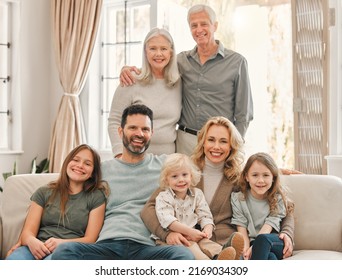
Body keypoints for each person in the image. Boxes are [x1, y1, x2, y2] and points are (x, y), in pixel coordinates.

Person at [51, 104, 194, 260]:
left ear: (151, 133)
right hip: (106, 247)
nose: (139, 134)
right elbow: (72, 189)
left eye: (145, 129)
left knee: (183, 255)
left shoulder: (166, 166)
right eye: (132, 128)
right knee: (64, 251)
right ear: (120, 131)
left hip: (147, 248)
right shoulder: (102, 170)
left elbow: (194, 176)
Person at [141, 116, 295, 260]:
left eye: (223, 141)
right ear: (203, 142)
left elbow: (282, 204)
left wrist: (286, 233)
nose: (216, 147)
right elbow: (149, 208)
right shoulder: (184, 172)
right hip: (191, 241)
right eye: (211, 140)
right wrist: (167, 234)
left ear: (231, 146)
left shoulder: (238, 178)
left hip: (227, 245)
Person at [120, 4, 253, 156]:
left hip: (220, 142)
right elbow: (157, 63)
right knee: (183, 180)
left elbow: (244, 114)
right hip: (185, 142)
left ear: (215, 26)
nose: (199, 29)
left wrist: (235, 145)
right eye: (193, 25)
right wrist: (128, 69)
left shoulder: (237, 62)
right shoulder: (181, 61)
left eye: (204, 24)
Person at [6, 144, 108, 260]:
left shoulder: (96, 197)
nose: (80, 165)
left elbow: (90, 239)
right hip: (35, 248)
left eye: (87, 164)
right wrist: (31, 241)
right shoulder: (44, 192)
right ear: (67, 163)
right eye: (75, 160)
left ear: (93, 173)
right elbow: (27, 233)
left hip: (67, 251)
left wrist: (61, 243)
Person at [108, 27, 181, 158]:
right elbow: (114, 121)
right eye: (153, 48)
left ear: (171, 53)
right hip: (135, 158)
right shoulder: (131, 79)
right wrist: (119, 154)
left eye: (163, 49)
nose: (158, 54)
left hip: (168, 160)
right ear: (145, 52)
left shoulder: (178, 82)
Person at [154, 153, 236, 260]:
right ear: (166, 180)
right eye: (174, 176)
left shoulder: (197, 194)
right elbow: (168, 221)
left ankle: (227, 254)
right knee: (195, 250)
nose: (181, 180)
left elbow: (204, 214)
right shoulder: (163, 197)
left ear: (191, 176)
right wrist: (190, 232)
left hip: (193, 235)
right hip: (173, 238)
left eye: (184, 175)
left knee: (208, 244)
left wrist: (207, 229)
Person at [231, 152, 294, 260]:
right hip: (255, 245)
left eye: (266, 175)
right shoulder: (238, 199)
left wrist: (254, 247)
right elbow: (241, 228)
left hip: (275, 242)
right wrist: (246, 251)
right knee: (270, 258)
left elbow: (269, 226)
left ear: (273, 177)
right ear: (247, 177)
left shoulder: (278, 198)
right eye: (255, 175)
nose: (260, 180)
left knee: (262, 240)